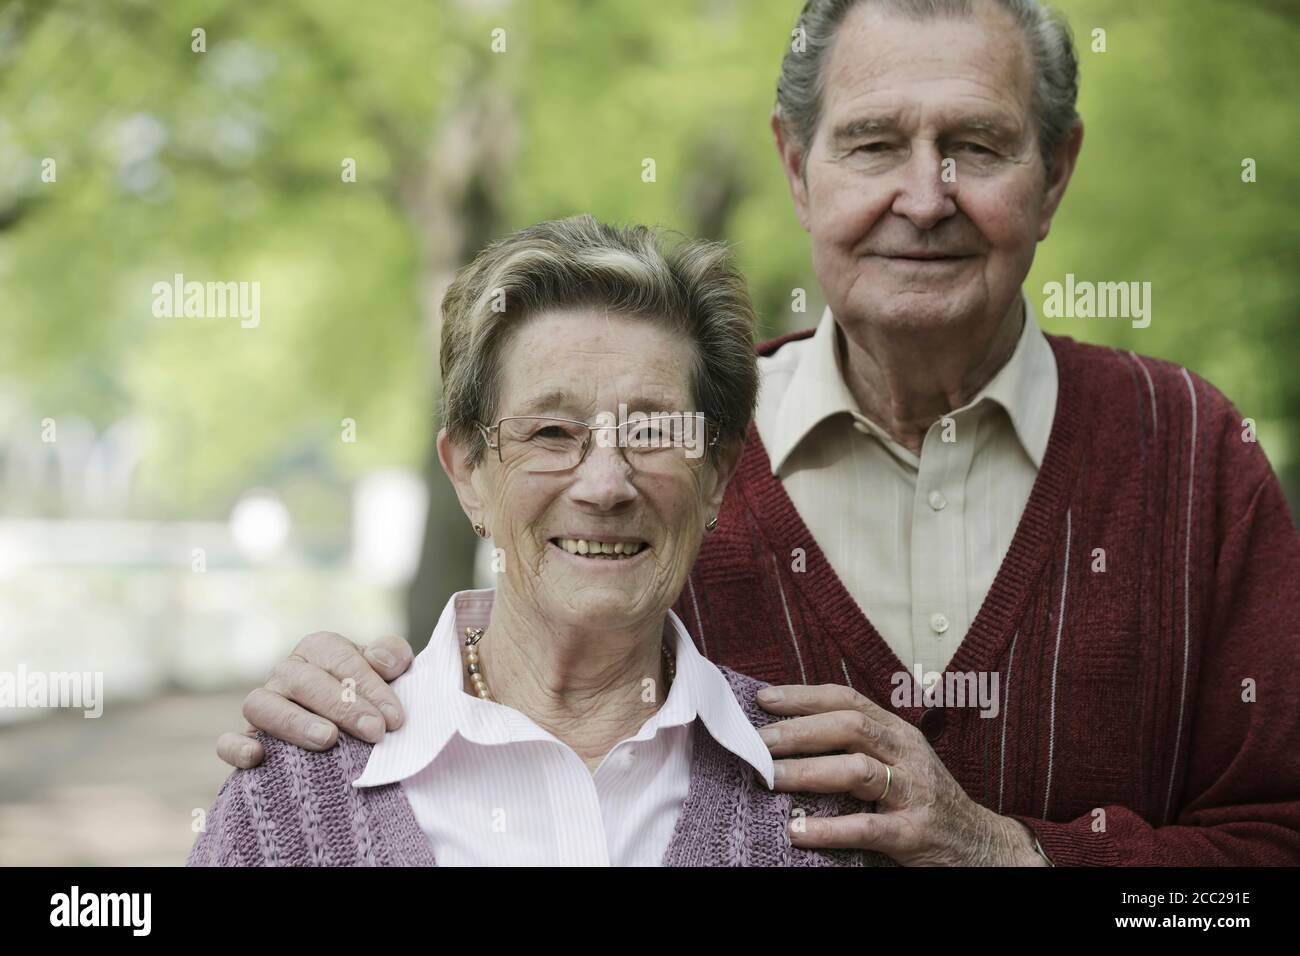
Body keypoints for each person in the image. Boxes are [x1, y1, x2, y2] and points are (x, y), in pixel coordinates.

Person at [216, 0, 1300, 865]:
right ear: (794, 164)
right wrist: (355, 701)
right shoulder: (666, 472)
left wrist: (1005, 851)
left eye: (976, 144)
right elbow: (526, 663)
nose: (925, 197)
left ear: (1055, 171)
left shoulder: (1193, 454)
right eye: (873, 144)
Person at [189, 215, 891, 866]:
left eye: (652, 432)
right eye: (552, 433)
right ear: (468, 473)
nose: (606, 485)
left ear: (716, 475)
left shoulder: (821, 804)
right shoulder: (293, 799)